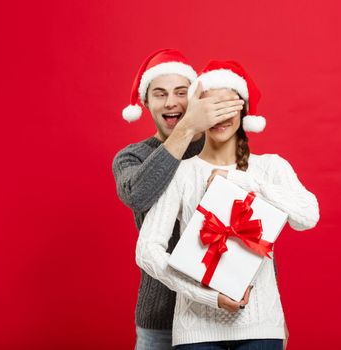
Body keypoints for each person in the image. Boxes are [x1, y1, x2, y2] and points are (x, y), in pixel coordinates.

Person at [135, 60, 320, 349]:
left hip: (261, 327)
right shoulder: (181, 173)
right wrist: (208, 296)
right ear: (198, 113)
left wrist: (244, 182)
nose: (220, 116)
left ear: (244, 109)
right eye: (211, 107)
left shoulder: (270, 168)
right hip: (195, 332)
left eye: (228, 106)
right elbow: (147, 251)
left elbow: (308, 216)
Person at [112, 49, 245, 350]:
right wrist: (187, 128)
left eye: (181, 92)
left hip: (219, 316)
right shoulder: (132, 157)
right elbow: (138, 195)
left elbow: (250, 231)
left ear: (194, 98)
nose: (171, 102)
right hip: (161, 319)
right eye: (159, 94)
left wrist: (273, 311)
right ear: (145, 102)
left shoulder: (219, 149)